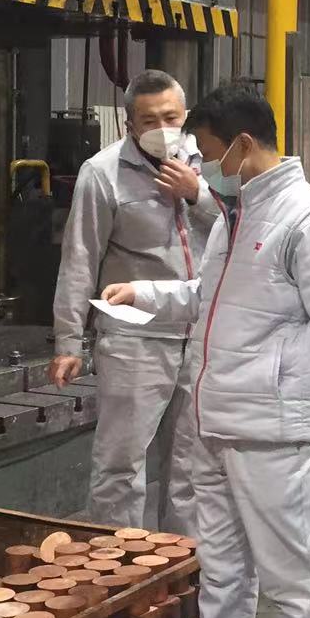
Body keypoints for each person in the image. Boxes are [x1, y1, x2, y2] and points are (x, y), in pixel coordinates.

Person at [101, 81, 310, 618]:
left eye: (210, 149)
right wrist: (145, 293)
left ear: (244, 145)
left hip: (275, 430)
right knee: (221, 568)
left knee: (292, 575)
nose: (202, 161)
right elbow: (207, 295)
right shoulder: (237, 214)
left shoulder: (308, 220)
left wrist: (304, 388)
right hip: (217, 421)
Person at [50, 70, 217, 530]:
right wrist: (68, 341)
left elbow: (239, 228)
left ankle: (181, 565)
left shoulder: (209, 165)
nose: (162, 128)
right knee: (120, 466)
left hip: (200, 337)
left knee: (191, 468)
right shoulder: (102, 174)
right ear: (129, 124)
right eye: (149, 120)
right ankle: (118, 563)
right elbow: (79, 259)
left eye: (171, 117)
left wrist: (197, 195)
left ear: (186, 116)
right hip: (134, 341)